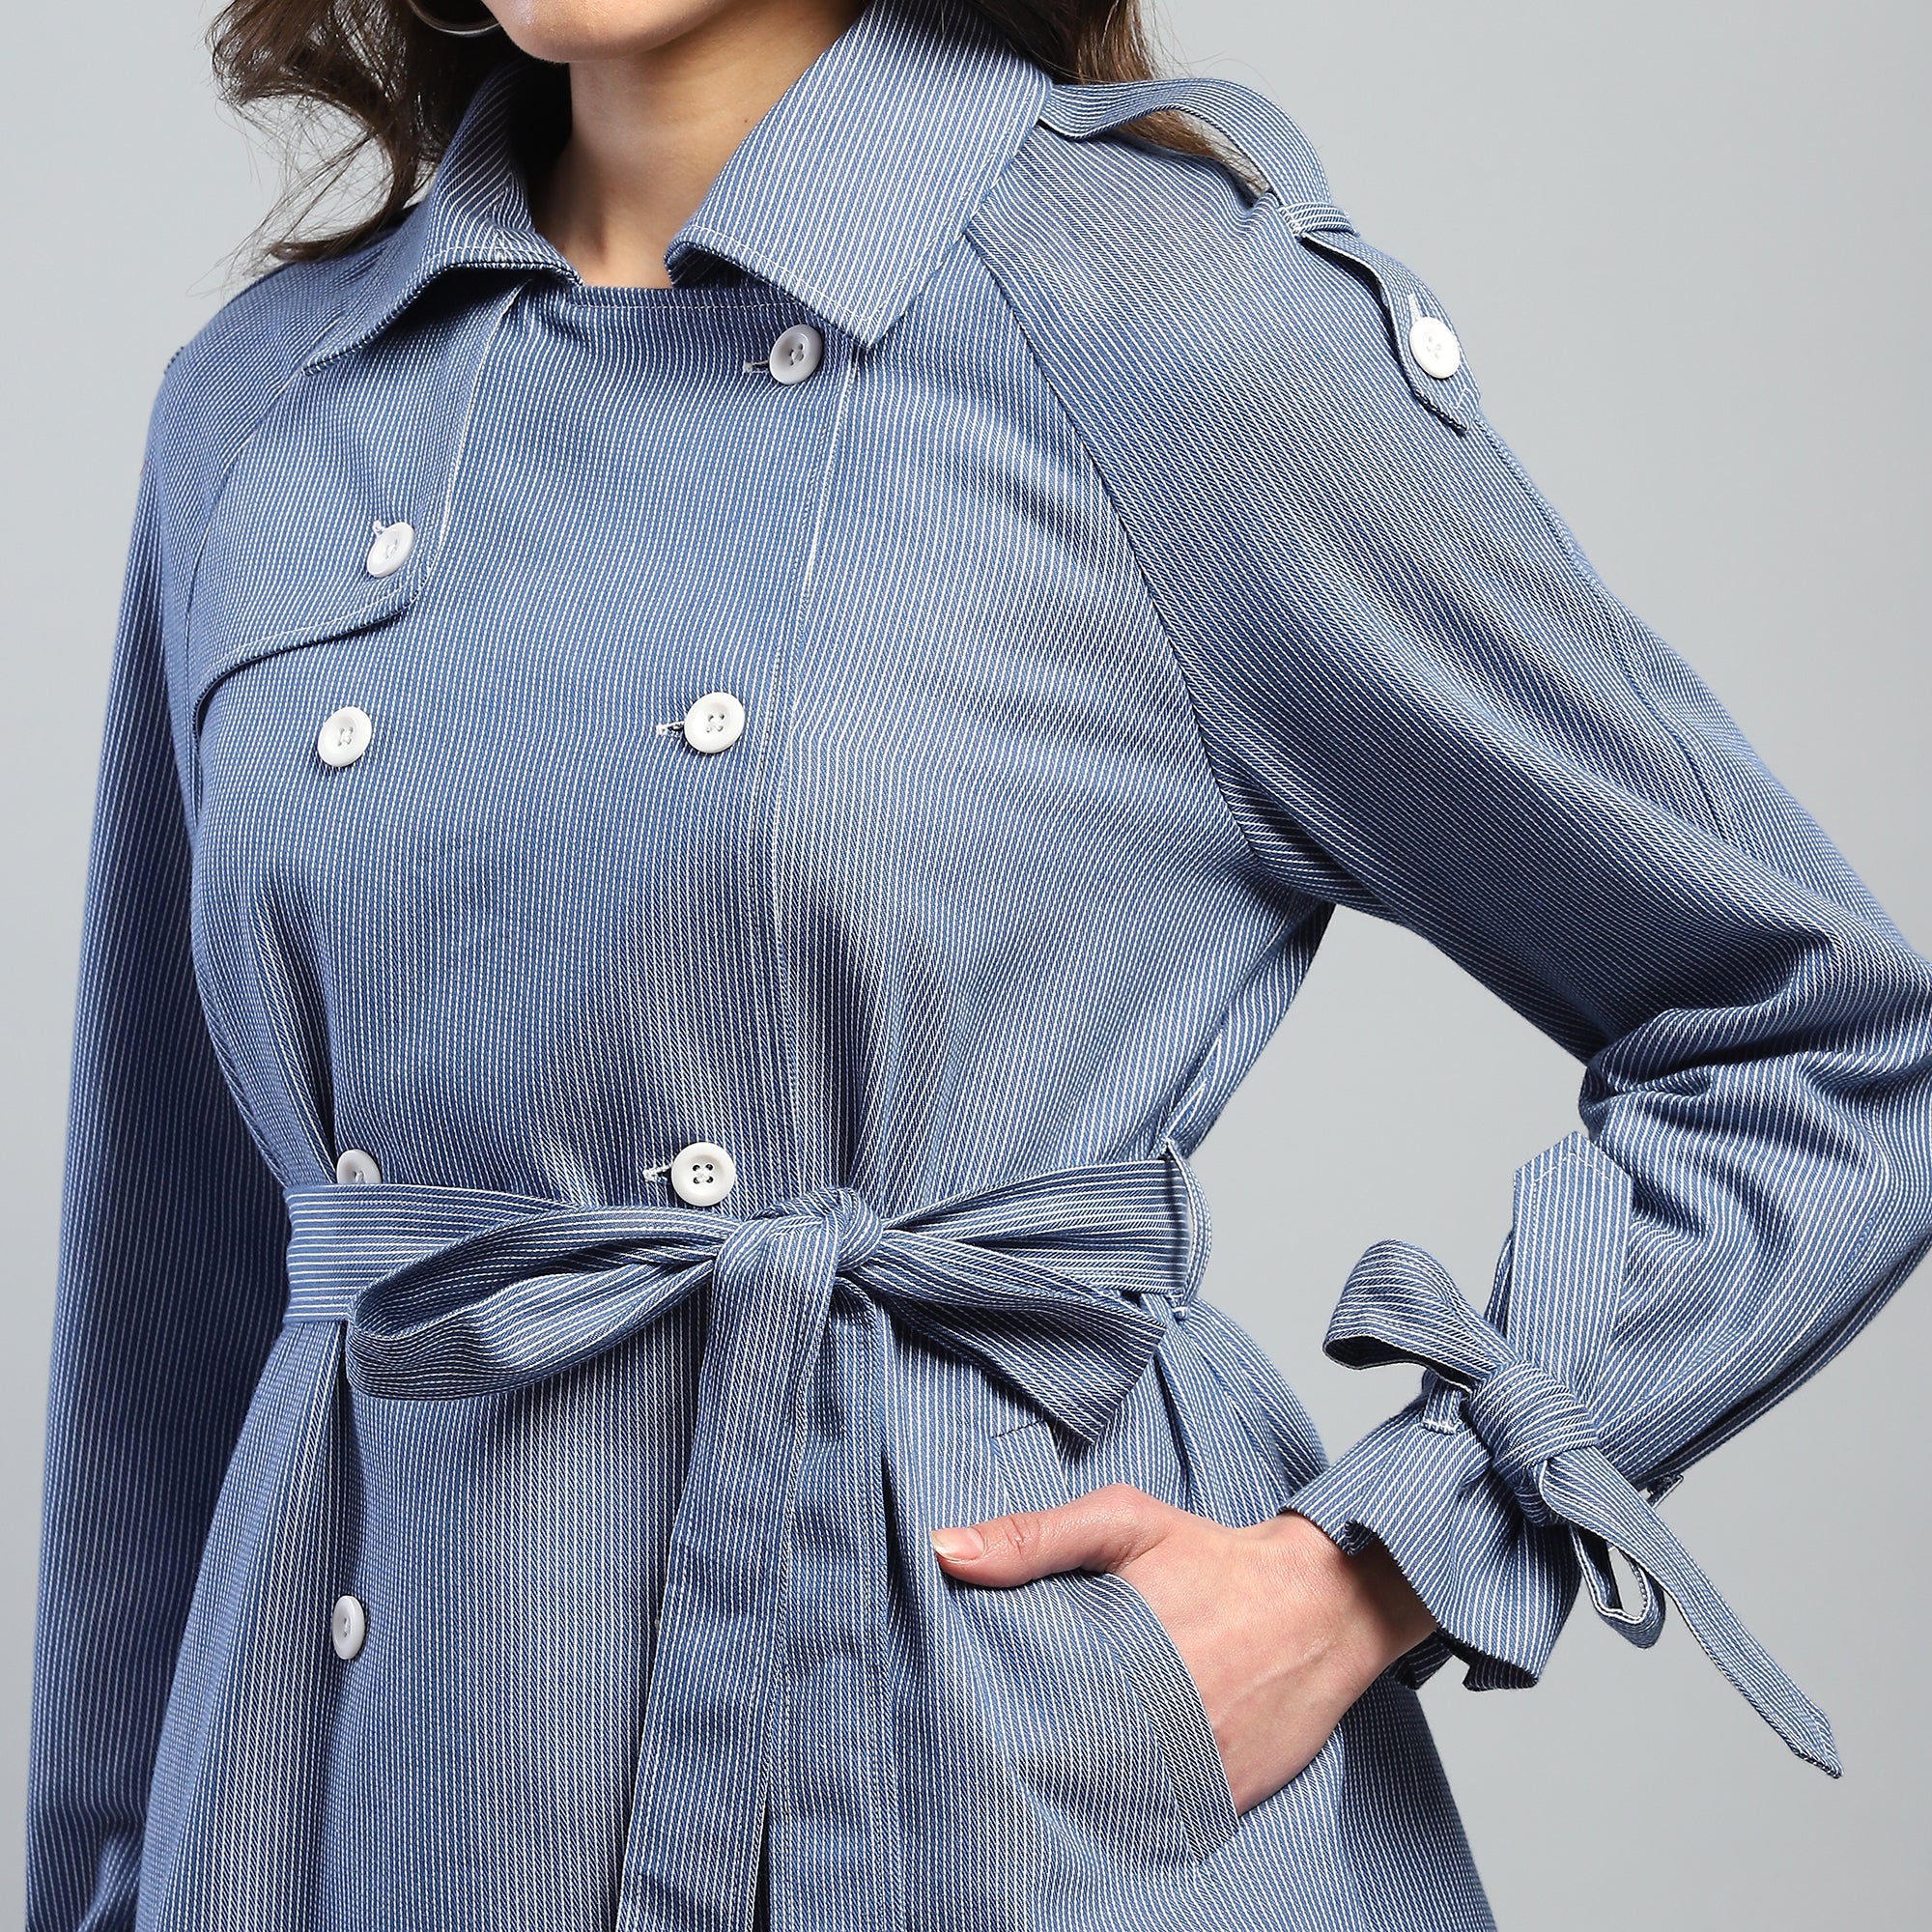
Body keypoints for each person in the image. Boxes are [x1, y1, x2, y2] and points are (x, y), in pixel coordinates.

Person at [26, 0, 1932, 1927]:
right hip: (374, 1811)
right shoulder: (267, 400)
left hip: (984, 1799)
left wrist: (1370, 1562)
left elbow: (1824, 1044)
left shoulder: (1158, 325)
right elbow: (171, 1305)